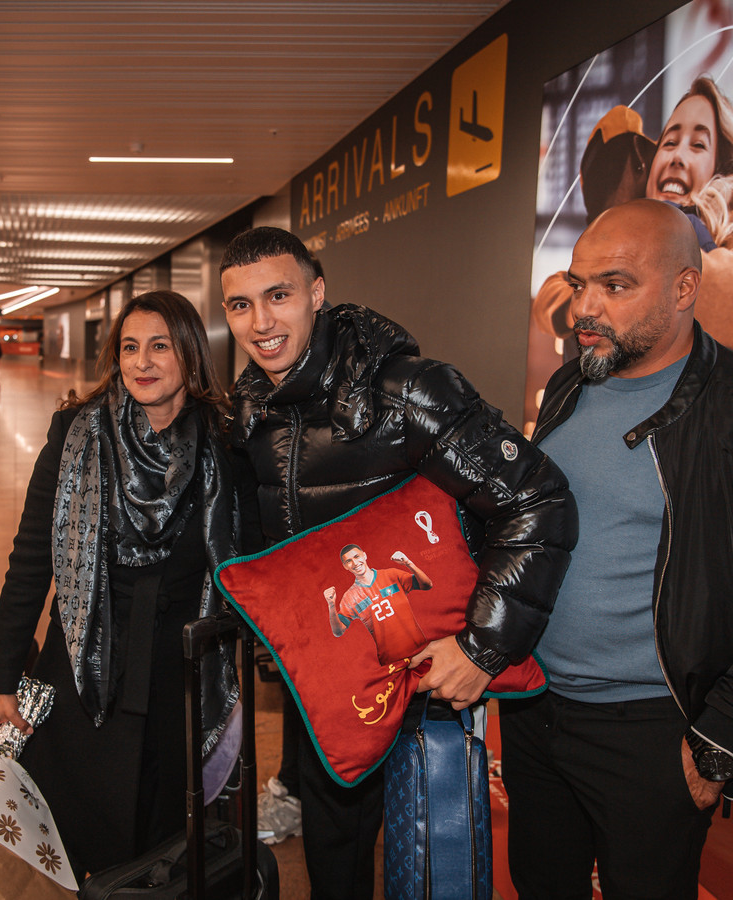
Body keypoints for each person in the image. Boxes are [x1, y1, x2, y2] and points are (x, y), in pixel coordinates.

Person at [505, 199, 733, 898]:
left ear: (684, 288)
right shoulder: (572, 383)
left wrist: (722, 735)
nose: (584, 309)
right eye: (577, 284)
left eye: (615, 285)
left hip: (651, 734)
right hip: (536, 712)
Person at [220, 226, 575, 899]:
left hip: (426, 684)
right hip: (330, 693)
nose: (260, 323)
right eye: (240, 305)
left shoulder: (410, 391)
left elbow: (538, 500)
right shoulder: (251, 413)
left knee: (430, 862)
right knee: (334, 862)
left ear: (316, 293)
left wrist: (481, 647)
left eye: (278, 296)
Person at [0, 290, 253, 879]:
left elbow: (246, 565)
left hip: (175, 678)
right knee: (73, 832)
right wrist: (3, 680)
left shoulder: (224, 443)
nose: (142, 362)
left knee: (160, 839)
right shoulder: (76, 434)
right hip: (80, 670)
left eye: (159, 346)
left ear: (190, 354)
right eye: (130, 347)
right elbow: (30, 561)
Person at [534, 77, 733, 364]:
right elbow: (551, 295)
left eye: (698, 145)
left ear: (721, 168)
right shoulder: (620, 230)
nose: (677, 156)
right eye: (669, 142)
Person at [324, 545, 431, 666]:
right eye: (349, 561)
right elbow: (338, 631)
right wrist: (331, 605)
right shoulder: (350, 597)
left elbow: (427, 585)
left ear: (364, 555)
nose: (354, 563)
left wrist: (408, 563)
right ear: (345, 566)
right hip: (390, 662)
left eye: (356, 556)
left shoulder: (391, 575)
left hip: (421, 649)